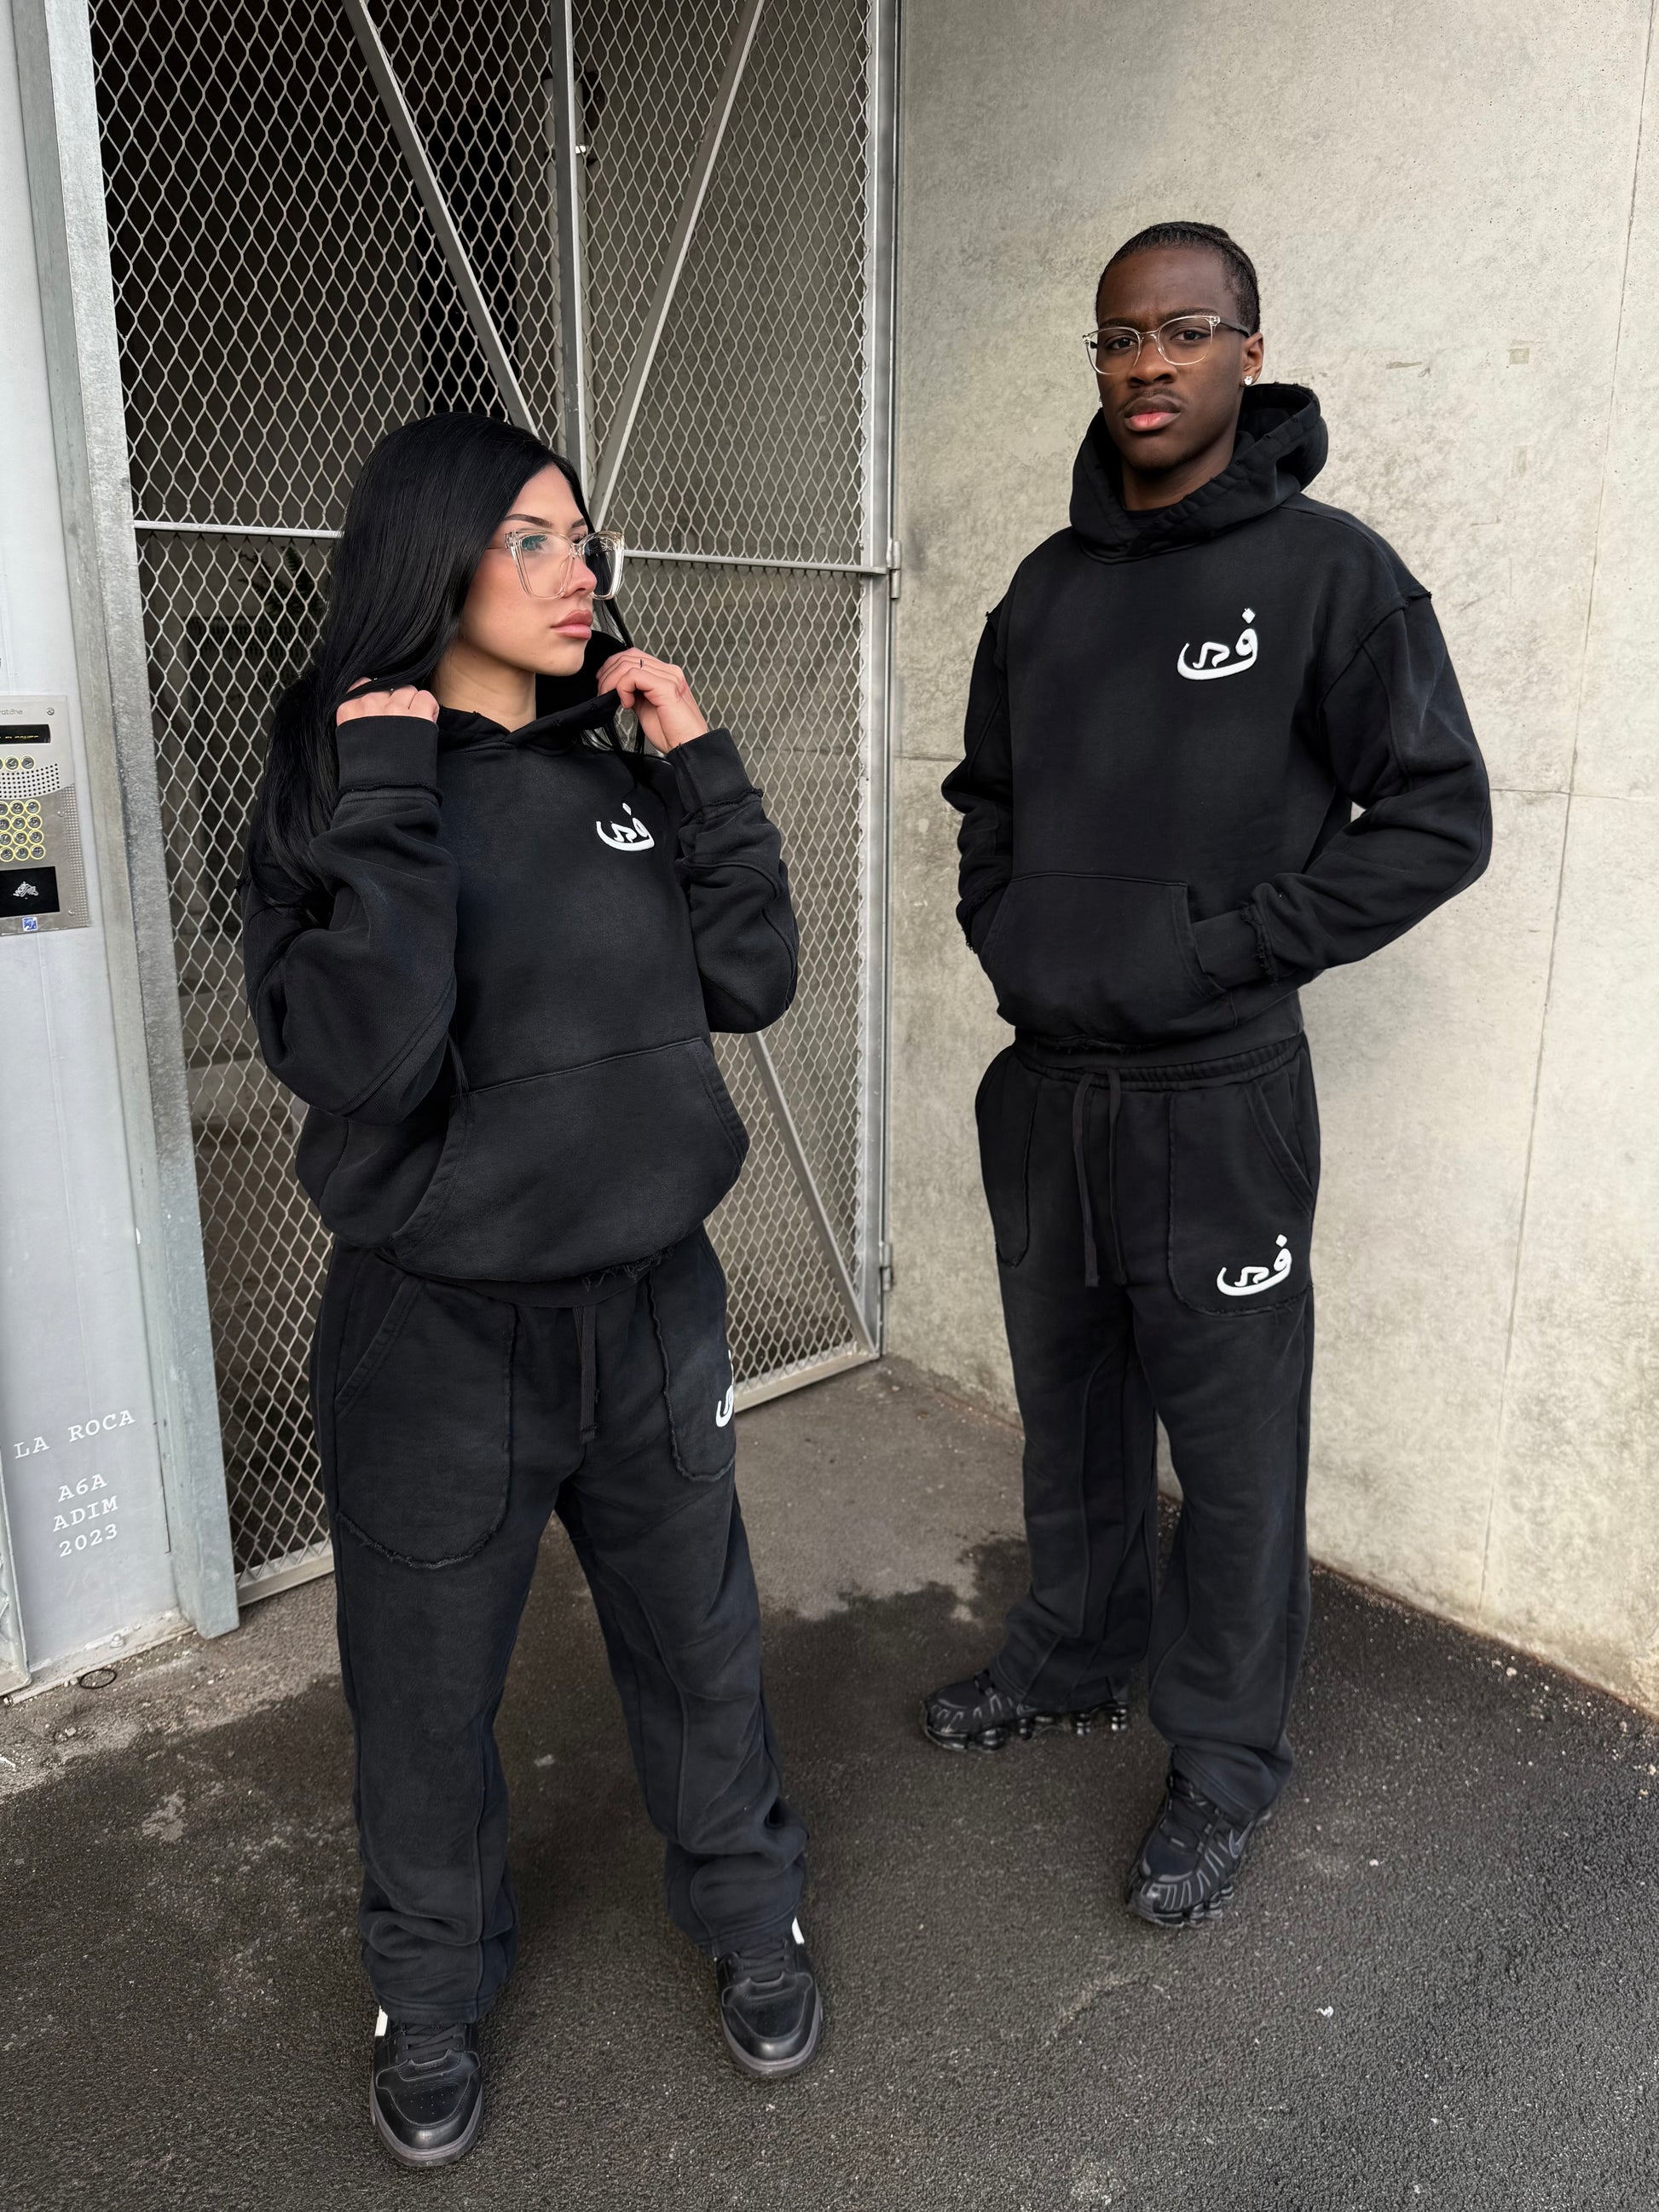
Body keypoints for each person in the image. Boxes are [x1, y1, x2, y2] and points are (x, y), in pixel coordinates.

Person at [242, 414, 821, 2168]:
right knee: (424, 1695)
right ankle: (426, 1996)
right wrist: (393, 798)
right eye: (532, 541)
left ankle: (751, 1911)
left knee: (699, 1640)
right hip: (439, 1332)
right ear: (436, 559)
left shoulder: (614, 767)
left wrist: (701, 764)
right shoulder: (334, 782)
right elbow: (365, 1053)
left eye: (583, 540)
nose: (580, 574)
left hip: (651, 1306)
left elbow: (754, 974)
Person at [922, 223, 1491, 1929]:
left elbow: (1435, 820)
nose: (1148, 364)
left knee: (1232, 1453)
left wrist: (1223, 947)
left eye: (1183, 331)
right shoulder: (1041, 590)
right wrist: (1012, 936)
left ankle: (1225, 1761)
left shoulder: (1330, 577)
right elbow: (986, 803)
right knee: (1072, 1407)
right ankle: (1074, 1649)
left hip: (1217, 1098)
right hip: (1049, 1090)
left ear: (1250, 346)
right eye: (1119, 338)